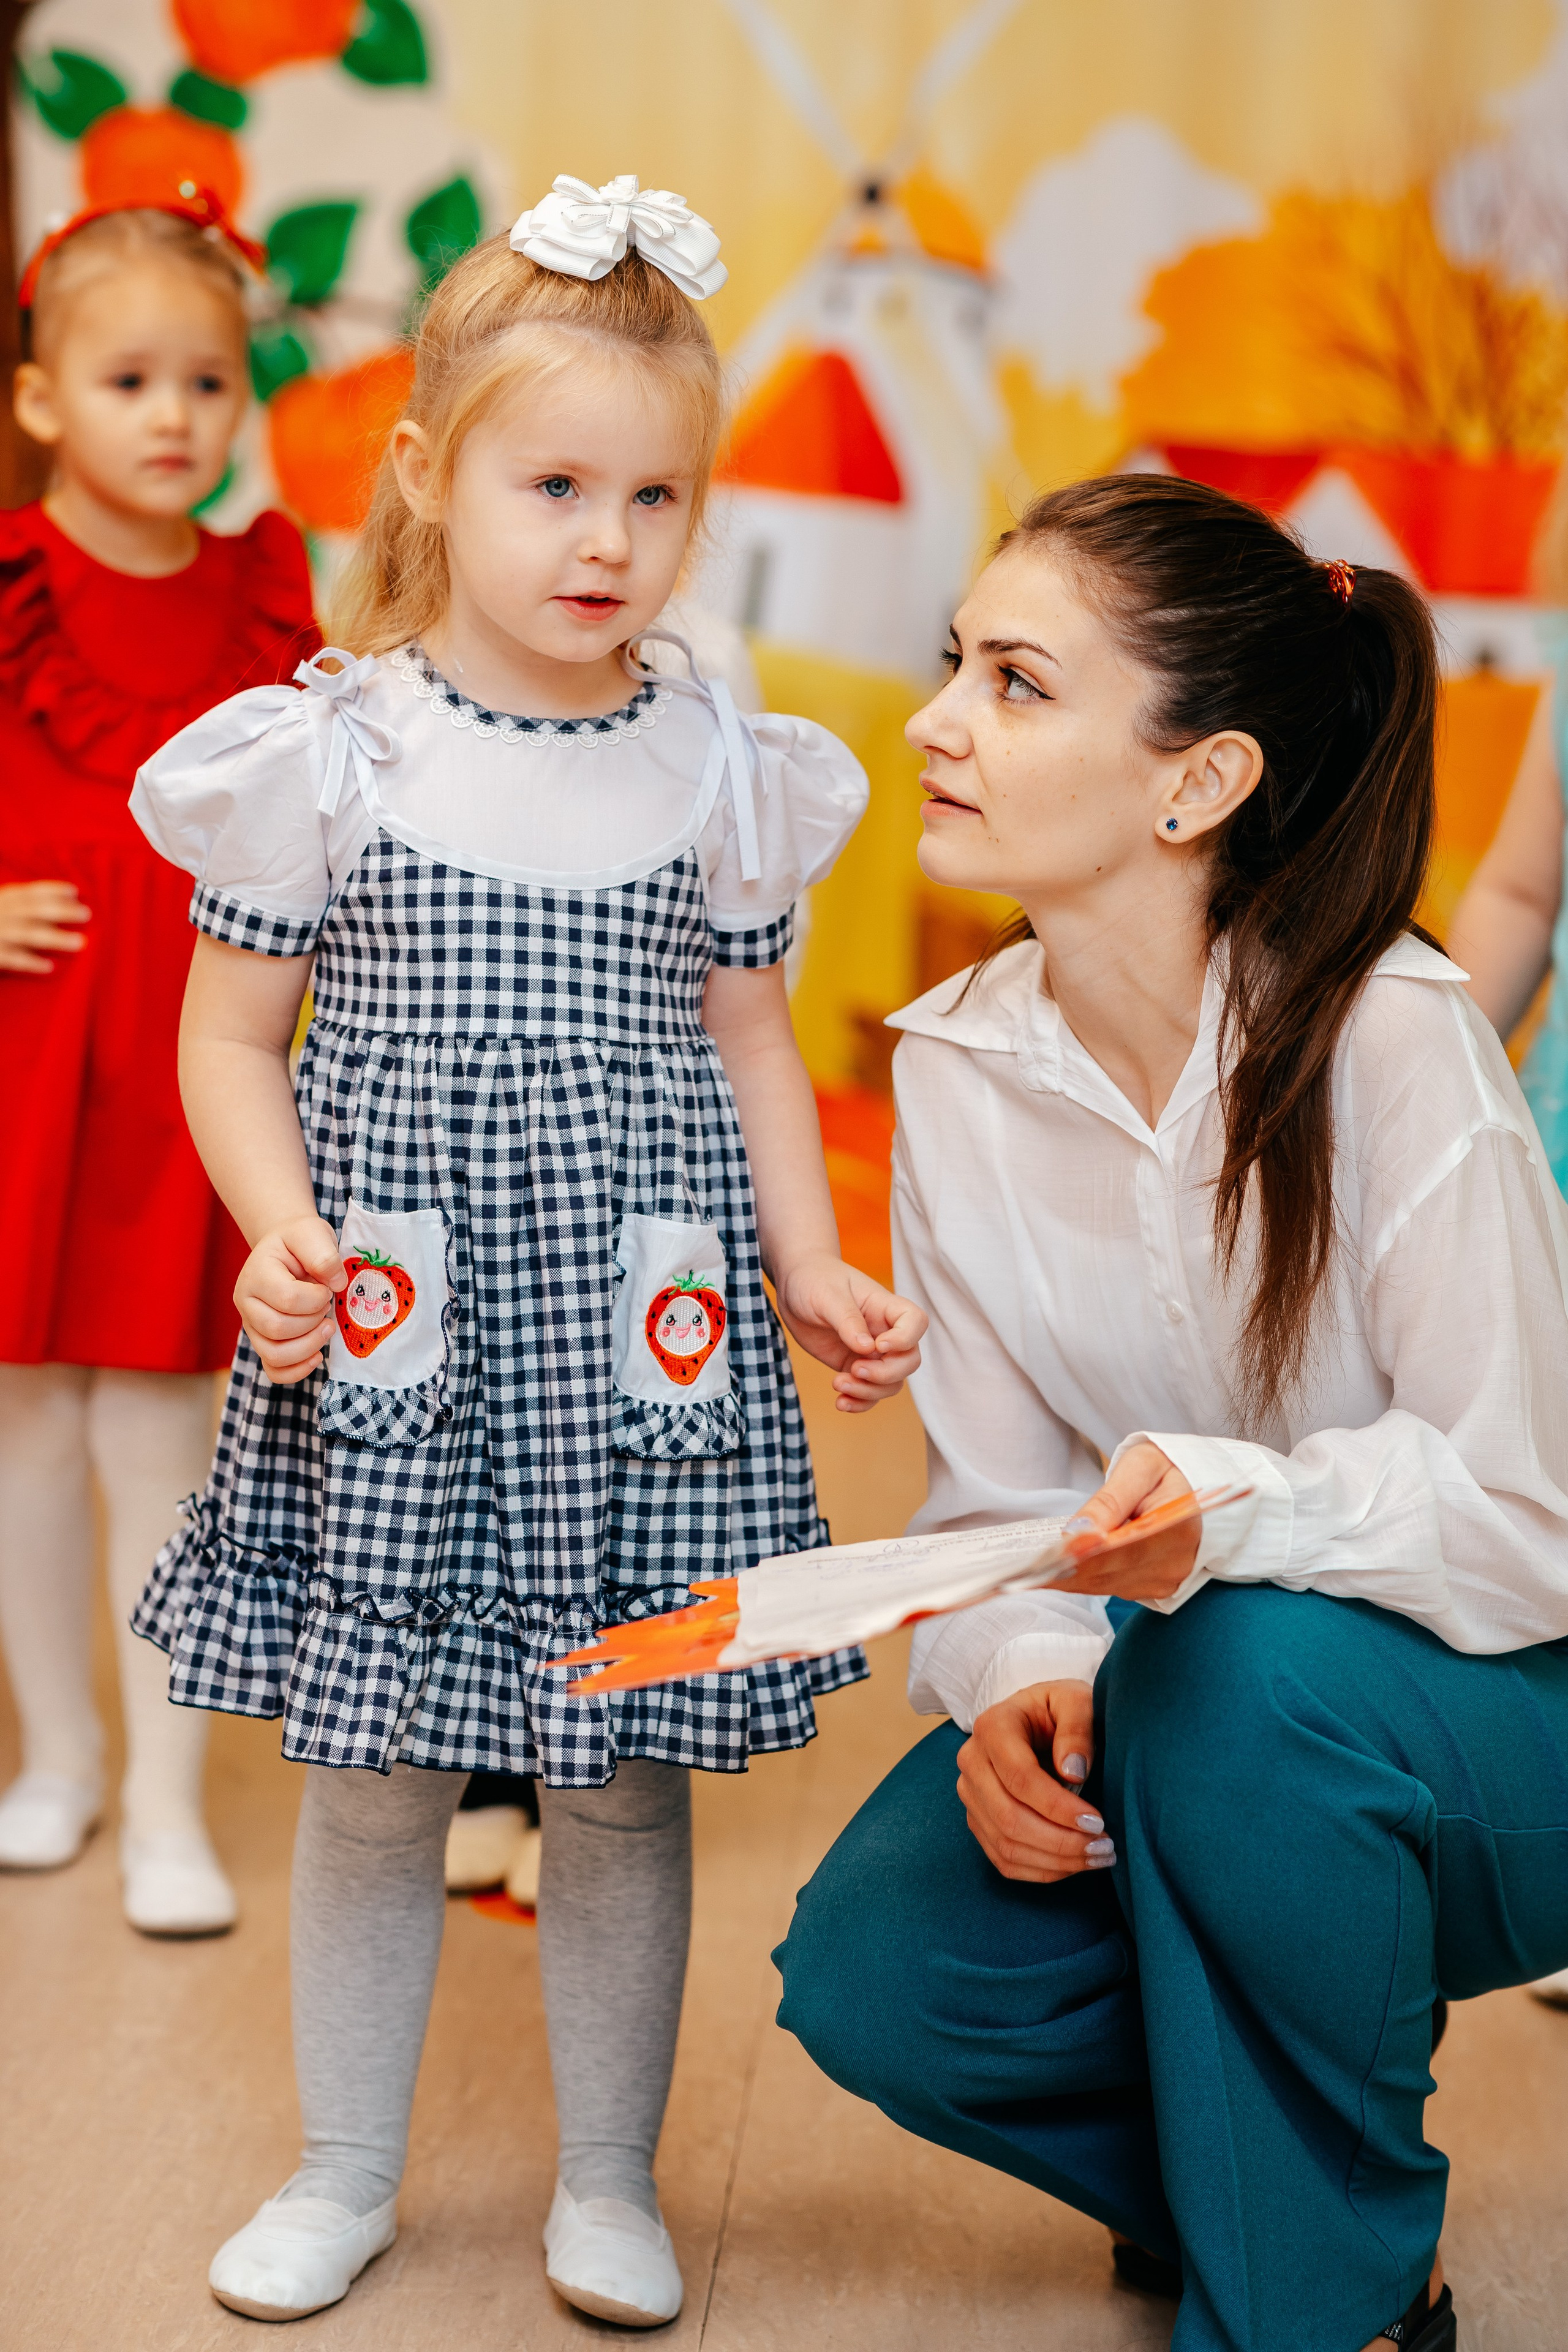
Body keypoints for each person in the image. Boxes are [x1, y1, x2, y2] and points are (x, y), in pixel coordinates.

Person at [128, 175, 924, 2328]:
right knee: (375, 1772)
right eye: (556, 482)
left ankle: (606, 2181)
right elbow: (227, 1035)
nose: (606, 541)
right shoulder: (340, 745)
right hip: (399, 1326)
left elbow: (756, 1038)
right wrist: (281, 1229)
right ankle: (348, 2166)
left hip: (634, 1349)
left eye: (656, 495)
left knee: (619, 1774)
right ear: (429, 476)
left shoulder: (717, 755)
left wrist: (813, 1262)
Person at [774, 475, 1568, 2352]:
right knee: (884, 1967)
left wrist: (1243, 1518)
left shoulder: (1392, 1035)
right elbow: (997, 1505)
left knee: (1231, 1667)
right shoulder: (960, 1073)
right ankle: (1281, 2193)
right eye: (950, 662)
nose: (937, 721)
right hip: (1225, 1739)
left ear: (1195, 783)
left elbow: (1536, 1518)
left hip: (1508, 1737)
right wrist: (1027, 1677)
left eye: (1017, 683)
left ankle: (1330, 2299)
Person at [0, 195, 317, 1934]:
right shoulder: (7, 586)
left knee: (167, 1443)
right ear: (45, 397)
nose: (176, 415)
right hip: (27, 1070)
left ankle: (172, 1799)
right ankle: (55, 1757)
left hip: (188, 1079)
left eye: (208, 378)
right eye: (129, 378)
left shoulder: (264, 595)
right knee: (28, 1436)